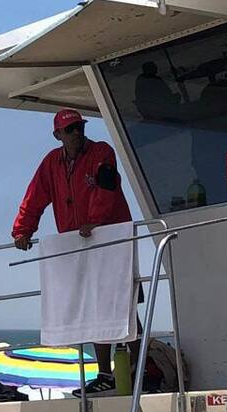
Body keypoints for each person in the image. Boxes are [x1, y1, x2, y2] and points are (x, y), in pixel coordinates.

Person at [11, 108, 137, 394]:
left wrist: (95, 221)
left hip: (108, 239)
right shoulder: (51, 163)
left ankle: (138, 365)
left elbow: (106, 186)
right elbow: (35, 197)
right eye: (70, 129)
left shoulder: (101, 152)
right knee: (94, 306)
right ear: (58, 135)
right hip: (78, 245)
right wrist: (22, 230)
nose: (77, 133)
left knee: (121, 302)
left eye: (79, 127)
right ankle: (105, 373)